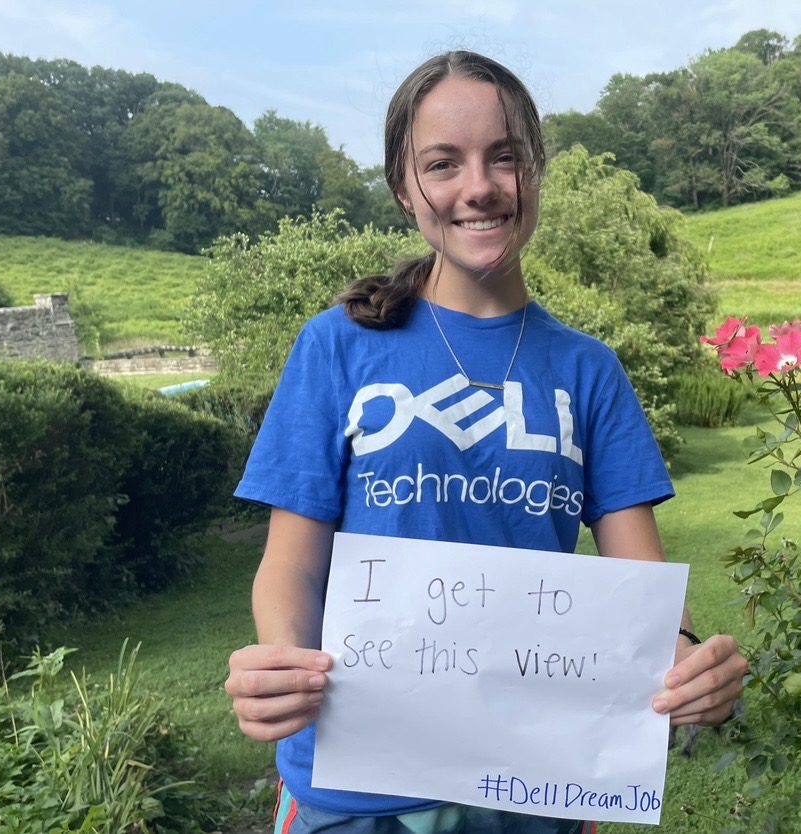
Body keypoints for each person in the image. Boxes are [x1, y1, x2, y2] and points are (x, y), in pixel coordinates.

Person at [223, 50, 748, 834]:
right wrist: (279, 666)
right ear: (406, 190)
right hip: (355, 792)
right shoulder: (336, 348)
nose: (480, 186)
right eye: (444, 163)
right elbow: (291, 563)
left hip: (537, 791)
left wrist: (694, 668)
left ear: (536, 171)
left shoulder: (588, 371)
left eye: (505, 156)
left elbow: (644, 602)